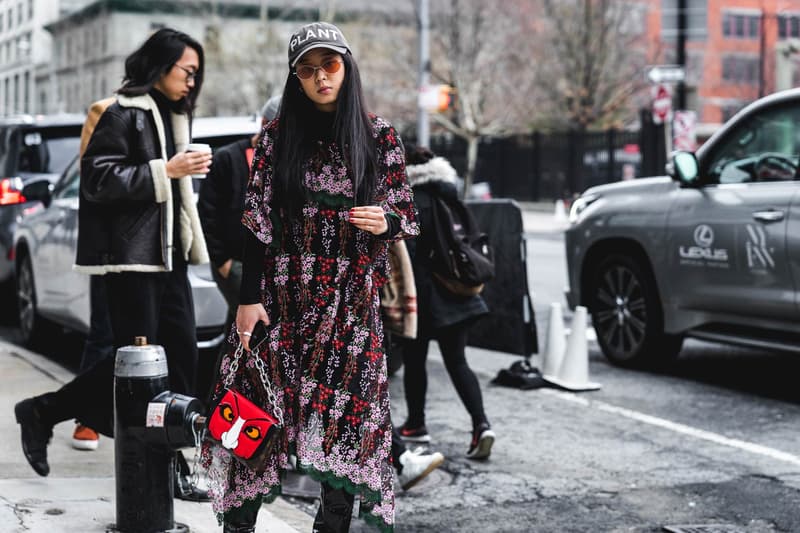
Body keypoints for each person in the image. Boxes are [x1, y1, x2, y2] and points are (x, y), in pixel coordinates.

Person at [202, 21, 419, 533]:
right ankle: (238, 526)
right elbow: (257, 222)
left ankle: (332, 525)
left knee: (347, 425)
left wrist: (383, 221)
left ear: (347, 67)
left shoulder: (379, 135)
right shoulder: (278, 137)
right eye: (308, 69)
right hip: (281, 297)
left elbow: (405, 213)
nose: (321, 77)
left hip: (350, 304)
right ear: (295, 77)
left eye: (330, 65)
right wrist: (248, 299)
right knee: (250, 413)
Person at [13, 29, 211, 497]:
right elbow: (98, 179)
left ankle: (48, 412)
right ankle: (46, 413)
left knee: (181, 360)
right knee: (137, 365)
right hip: (132, 260)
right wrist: (167, 171)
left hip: (170, 258)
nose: (192, 83)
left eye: (197, 75)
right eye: (187, 72)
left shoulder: (175, 116)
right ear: (161, 67)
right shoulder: (122, 113)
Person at [398, 145, 496, 460]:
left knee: (414, 359)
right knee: (457, 361)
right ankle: (481, 425)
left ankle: (416, 424)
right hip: (459, 291)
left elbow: (408, 254)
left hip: (427, 296)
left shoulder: (414, 200)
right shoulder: (449, 194)